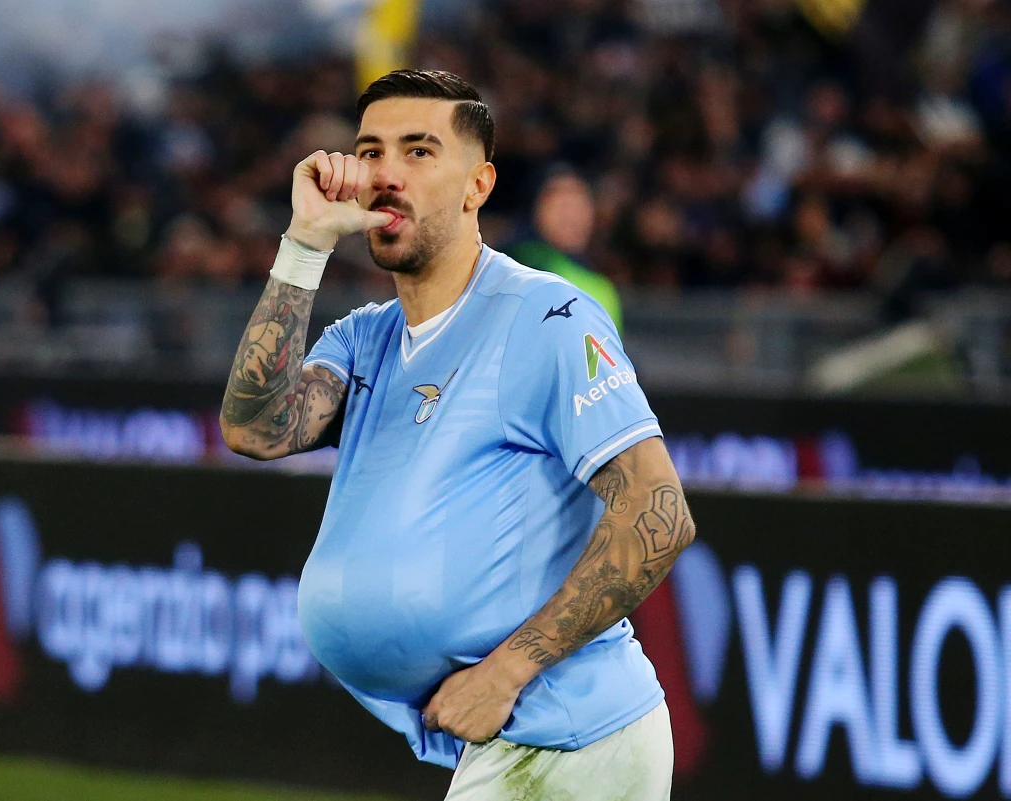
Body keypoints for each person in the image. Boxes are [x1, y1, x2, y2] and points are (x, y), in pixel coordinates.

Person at [221, 70, 694, 800]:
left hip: (570, 736)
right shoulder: (366, 339)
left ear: (478, 185)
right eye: (371, 151)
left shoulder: (547, 318)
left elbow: (658, 513)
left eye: (419, 152)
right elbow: (254, 428)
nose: (386, 174)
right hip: (516, 746)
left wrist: (507, 671)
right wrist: (306, 240)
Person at [508, 168, 624, 332]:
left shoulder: (603, 289)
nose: (570, 217)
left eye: (578, 206)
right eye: (561, 206)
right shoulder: (515, 266)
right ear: (536, 209)